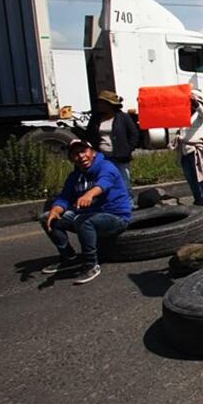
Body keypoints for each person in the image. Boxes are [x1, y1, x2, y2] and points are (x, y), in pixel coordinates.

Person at [40, 139, 133, 285]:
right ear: (71, 158)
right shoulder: (74, 176)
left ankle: (91, 264)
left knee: (83, 221)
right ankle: (69, 257)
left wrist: (89, 194)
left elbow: (104, 183)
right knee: (47, 218)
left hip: (115, 217)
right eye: (76, 154)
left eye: (84, 151)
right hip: (87, 215)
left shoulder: (106, 166)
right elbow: (64, 197)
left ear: (93, 152)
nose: (81, 156)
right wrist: (56, 209)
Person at [84, 90, 140, 186]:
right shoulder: (95, 119)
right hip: (102, 157)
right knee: (103, 182)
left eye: (103, 103)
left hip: (120, 157)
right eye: (99, 103)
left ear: (110, 104)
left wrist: (128, 149)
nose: (100, 105)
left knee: (124, 184)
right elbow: (89, 135)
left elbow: (134, 134)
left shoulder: (123, 117)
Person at [171, 90, 203, 207]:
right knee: (190, 178)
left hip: (196, 150)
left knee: (201, 177)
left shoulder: (202, 115)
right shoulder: (185, 115)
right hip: (185, 150)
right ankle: (197, 199)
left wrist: (195, 103)